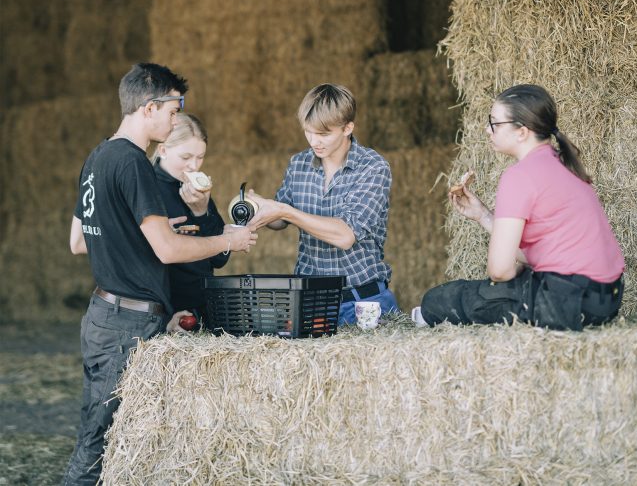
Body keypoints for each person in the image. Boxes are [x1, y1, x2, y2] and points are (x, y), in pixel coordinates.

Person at [64, 63, 258, 485]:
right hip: (126, 325)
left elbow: (80, 241)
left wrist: (153, 229)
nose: (175, 119)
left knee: (109, 443)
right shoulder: (133, 163)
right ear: (150, 107)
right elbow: (167, 252)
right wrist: (227, 241)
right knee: (96, 450)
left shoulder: (98, 156)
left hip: (103, 316)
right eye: (174, 110)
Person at [415, 84, 625, 331]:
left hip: (565, 302)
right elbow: (543, 254)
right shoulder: (563, 165)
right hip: (605, 300)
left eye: (494, 123)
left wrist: (500, 288)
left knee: (438, 300)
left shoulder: (519, 176)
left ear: (522, 132)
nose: (487, 130)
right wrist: (483, 215)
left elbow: (500, 271)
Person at [245, 83, 399, 325]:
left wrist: (285, 210)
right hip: (310, 302)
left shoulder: (373, 168)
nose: (314, 141)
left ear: (348, 128)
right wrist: (260, 208)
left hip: (361, 301)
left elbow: (345, 235)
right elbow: (280, 221)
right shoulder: (299, 164)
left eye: (324, 134)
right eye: (308, 132)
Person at [150, 113, 229, 318]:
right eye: (186, 157)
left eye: (200, 157)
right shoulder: (148, 188)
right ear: (163, 150)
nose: (194, 166)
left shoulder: (197, 189)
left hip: (202, 307)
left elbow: (220, 258)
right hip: (166, 311)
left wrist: (202, 212)